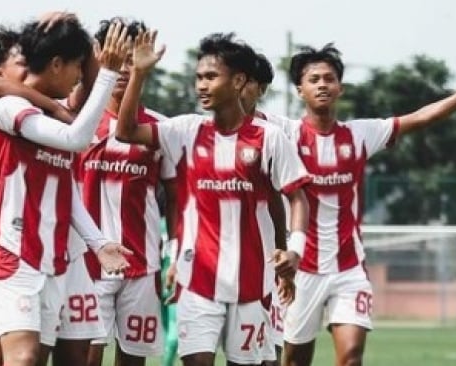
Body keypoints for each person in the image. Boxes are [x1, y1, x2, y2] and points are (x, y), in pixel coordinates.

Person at [280, 43, 456, 366]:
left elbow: (421, 117)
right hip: (301, 271)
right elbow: (240, 113)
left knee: (351, 357)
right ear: (300, 90)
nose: (322, 84)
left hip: (349, 268)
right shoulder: (284, 133)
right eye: (313, 79)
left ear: (340, 87)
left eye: (329, 78)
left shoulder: (361, 134)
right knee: (296, 361)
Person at [115, 30, 311, 366]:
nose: (202, 85)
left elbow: (297, 198)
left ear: (237, 81)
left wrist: (294, 251)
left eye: (211, 77)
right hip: (197, 280)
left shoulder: (270, 138)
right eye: (198, 78)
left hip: (252, 282)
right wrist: (139, 74)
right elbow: (126, 131)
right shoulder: (186, 131)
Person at [0, 17, 133, 366]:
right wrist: (107, 72)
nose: (80, 75)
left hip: (60, 254)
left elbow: (64, 192)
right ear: (56, 63)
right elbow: (75, 139)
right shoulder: (8, 108)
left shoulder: (56, 116)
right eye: (75, 65)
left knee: (69, 355)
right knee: (22, 357)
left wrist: (98, 242)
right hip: (14, 249)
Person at [72, 17, 171, 366]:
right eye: (120, 58)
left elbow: (174, 196)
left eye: (135, 59)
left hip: (141, 263)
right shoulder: (75, 123)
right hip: (86, 263)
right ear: (99, 56)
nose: (127, 68)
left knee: (132, 360)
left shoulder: (159, 129)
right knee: (86, 356)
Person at [239, 53, 289, 366]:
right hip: (216, 260)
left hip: (269, 261)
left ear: (261, 89)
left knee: (272, 349)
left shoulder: (280, 131)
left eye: (248, 81)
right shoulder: (199, 130)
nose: (238, 86)